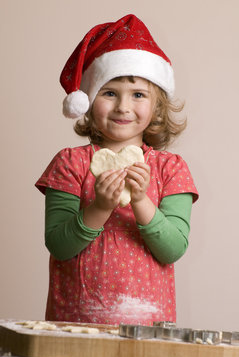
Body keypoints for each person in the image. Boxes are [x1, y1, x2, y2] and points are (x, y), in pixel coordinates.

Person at [35, 14, 198, 325]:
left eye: (138, 95)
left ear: (157, 106)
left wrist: (140, 201)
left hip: (148, 328)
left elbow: (173, 249)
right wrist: (100, 206)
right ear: (88, 100)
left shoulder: (170, 169)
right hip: (75, 325)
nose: (123, 106)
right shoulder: (70, 163)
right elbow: (58, 244)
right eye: (109, 93)